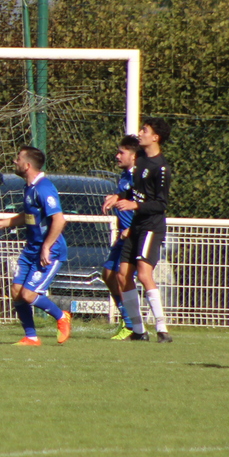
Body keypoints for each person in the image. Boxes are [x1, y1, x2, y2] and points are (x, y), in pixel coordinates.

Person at [0, 147, 71, 346]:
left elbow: (59, 220)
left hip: (50, 250)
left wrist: (46, 246)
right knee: (16, 292)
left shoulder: (44, 187)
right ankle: (31, 336)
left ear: (27, 165)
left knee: (28, 294)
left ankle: (61, 316)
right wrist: (3, 223)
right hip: (31, 248)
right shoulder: (30, 187)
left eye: (18, 158)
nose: (14, 161)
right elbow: (28, 216)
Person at [111, 117, 174, 342]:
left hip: (151, 227)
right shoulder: (140, 161)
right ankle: (138, 330)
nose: (140, 133)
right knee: (122, 275)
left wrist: (134, 205)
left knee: (144, 274)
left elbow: (160, 204)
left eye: (144, 130)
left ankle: (162, 329)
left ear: (155, 137)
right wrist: (118, 196)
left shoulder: (161, 167)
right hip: (137, 224)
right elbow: (135, 192)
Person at [101, 136, 143, 338]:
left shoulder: (140, 178)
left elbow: (147, 207)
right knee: (108, 274)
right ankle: (128, 322)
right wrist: (115, 197)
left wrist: (132, 229)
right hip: (123, 234)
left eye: (121, 153)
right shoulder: (125, 176)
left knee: (123, 277)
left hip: (135, 234)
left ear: (133, 156)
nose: (117, 156)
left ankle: (134, 325)